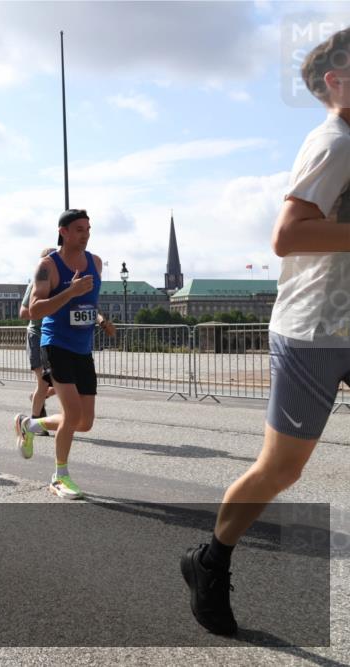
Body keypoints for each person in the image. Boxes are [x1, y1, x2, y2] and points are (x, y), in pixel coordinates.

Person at [181, 29, 350, 637]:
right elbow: (287, 237)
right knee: (280, 471)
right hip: (313, 331)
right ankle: (209, 559)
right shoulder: (333, 142)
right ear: (335, 82)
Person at [15, 209, 116, 498]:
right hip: (55, 344)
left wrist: (102, 321)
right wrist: (68, 292)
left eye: (88, 229)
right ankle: (60, 476)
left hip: (83, 349)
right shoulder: (48, 266)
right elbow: (34, 310)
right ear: (64, 232)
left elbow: (88, 303)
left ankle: (29, 424)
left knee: (84, 422)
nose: (86, 234)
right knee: (71, 414)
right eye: (80, 229)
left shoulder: (95, 263)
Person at [19, 247, 58, 434]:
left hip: (55, 337)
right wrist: (45, 308)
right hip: (37, 335)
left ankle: (37, 398)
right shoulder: (35, 283)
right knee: (43, 382)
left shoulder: (60, 283)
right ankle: (34, 424)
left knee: (64, 383)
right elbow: (24, 312)